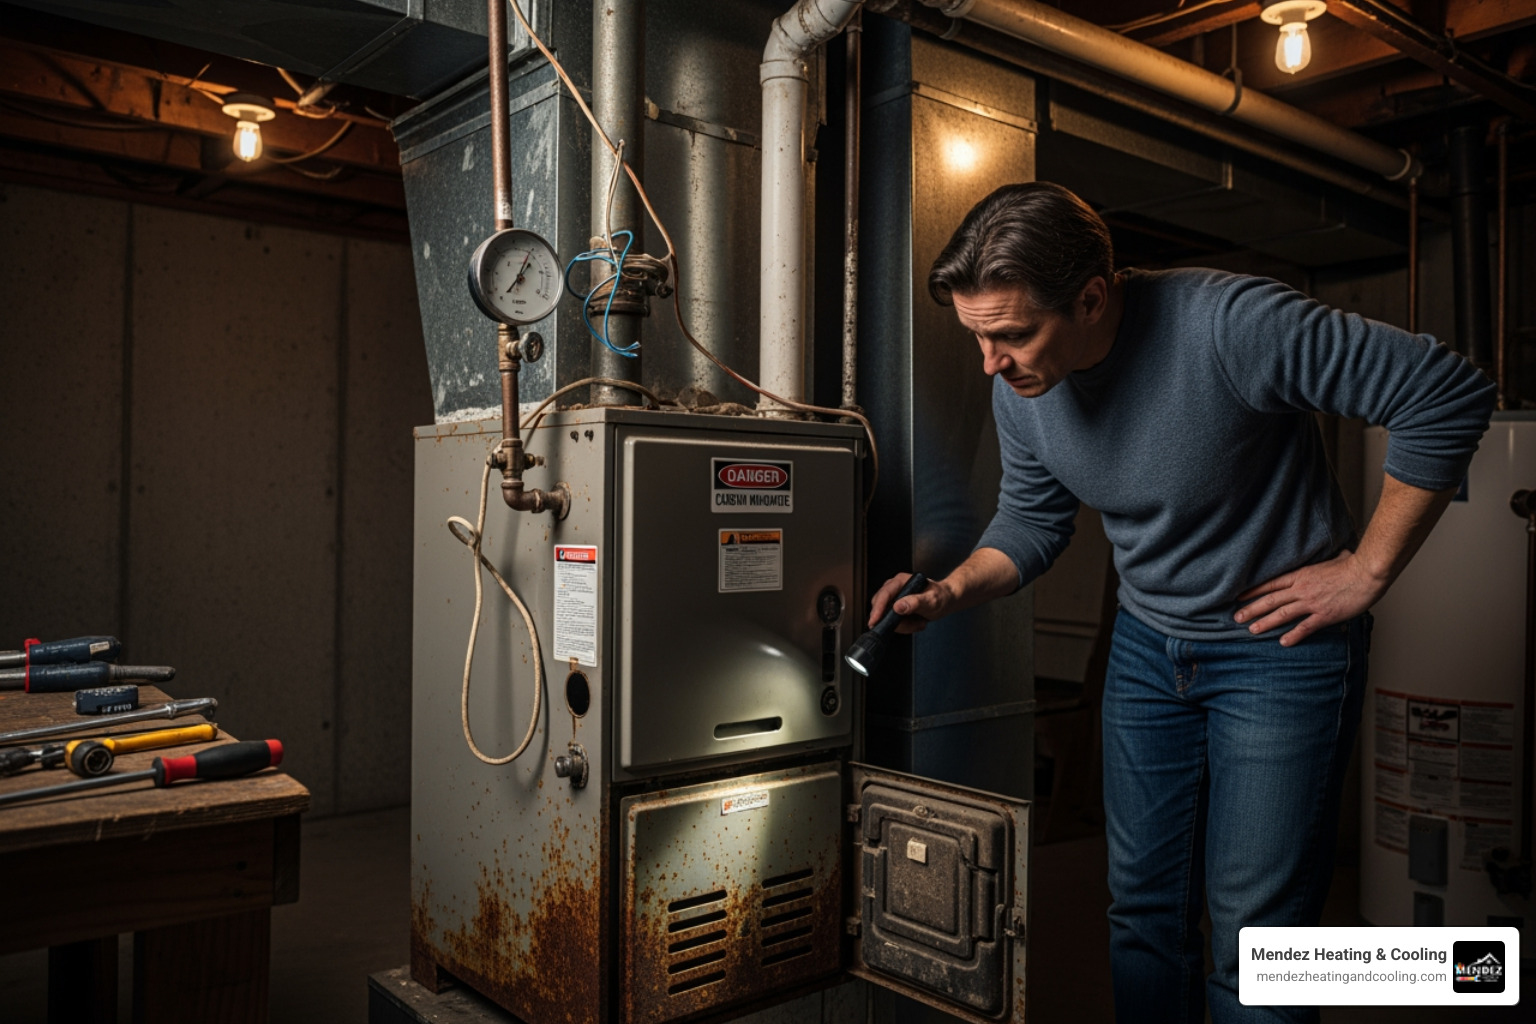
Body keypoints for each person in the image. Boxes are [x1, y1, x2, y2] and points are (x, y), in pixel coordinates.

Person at [867, 182, 1497, 1024]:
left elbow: (1444, 392)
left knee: (1257, 940)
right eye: (978, 337)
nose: (991, 362)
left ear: (1092, 297)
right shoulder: (1020, 385)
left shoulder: (1230, 325)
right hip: (1147, 649)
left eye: (1011, 334)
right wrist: (949, 592)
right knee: (1141, 915)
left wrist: (1367, 571)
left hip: (1277, 654)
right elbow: (1031, 518)